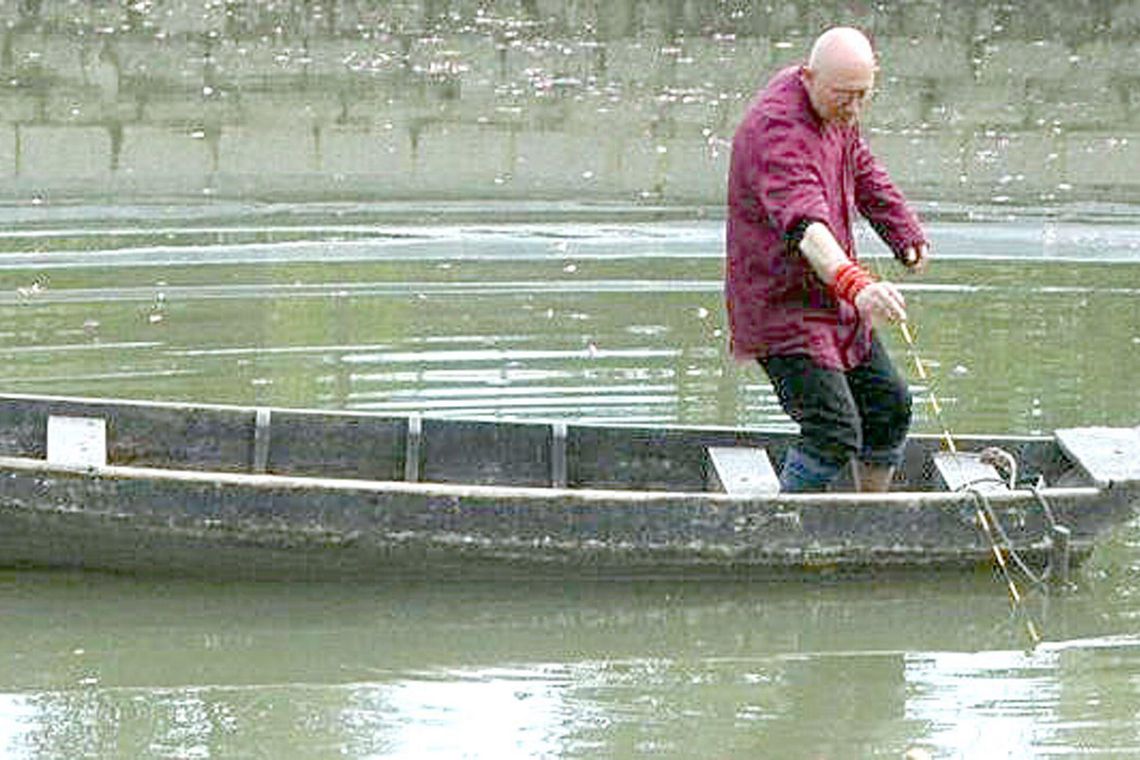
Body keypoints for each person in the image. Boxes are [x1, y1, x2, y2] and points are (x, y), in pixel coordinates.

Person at [724, 26, 930, 493]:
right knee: (833, 430)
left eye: (864, 96)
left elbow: (861, 166)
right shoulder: (776, 131)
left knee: (888, 405)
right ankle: (779, 533)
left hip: (834, 302)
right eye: (845, 96)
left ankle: (868, 523)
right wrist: (860, 286)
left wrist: (902, 229)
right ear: (809, 77)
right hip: (782, 308)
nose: (854, 109)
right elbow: (807, 228)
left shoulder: (837, 109)